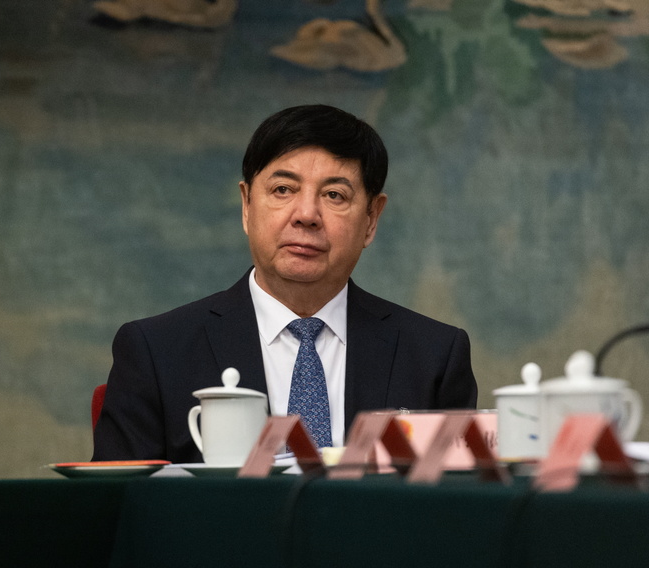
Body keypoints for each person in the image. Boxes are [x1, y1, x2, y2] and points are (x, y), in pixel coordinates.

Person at [92, 104, 477, 463]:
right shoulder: (156, 352)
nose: (307, 215)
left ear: (372, 219)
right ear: (246, 205)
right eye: (283, 190)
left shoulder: (434, 357)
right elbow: (120, 511)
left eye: (334, 195)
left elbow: (456, 512)